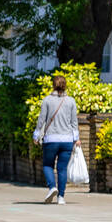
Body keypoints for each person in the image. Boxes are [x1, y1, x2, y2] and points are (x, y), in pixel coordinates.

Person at [33, 74, 80, 205]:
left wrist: (36, 135)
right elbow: (74, 121)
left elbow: (41, 119)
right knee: (62, 168)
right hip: (67, 140)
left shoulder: (47, 100)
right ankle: (61, 197)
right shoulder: (71, 101)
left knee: (48, 165)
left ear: (53, 85)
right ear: (65, 86)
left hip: (51, 139)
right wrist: (76, 138)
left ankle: (52, 187)